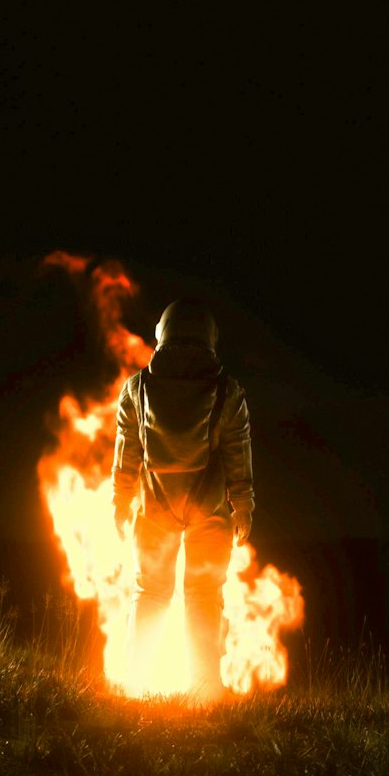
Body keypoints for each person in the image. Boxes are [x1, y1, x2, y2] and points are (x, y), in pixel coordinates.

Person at [111, 298, 254, 701]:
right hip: (209, 507)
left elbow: (127, 455)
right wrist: (243, 504)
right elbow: (237, 455)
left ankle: (136, 685)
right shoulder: (229, 392)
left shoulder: (135, 390)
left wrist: (120, 503)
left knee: (150, 592)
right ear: (210, 339)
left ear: (162, 334)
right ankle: (206, 691)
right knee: (205, 595)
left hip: (155, 505)